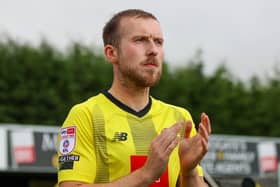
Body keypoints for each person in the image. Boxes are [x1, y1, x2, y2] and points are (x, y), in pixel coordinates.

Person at [57, 9, 211, 187]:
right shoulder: (85, 115)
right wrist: (146, 174)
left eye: (158, 42)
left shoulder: (180, 118)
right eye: (140, 40)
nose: (153, 50)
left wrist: (189, 170)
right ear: (111, 53)